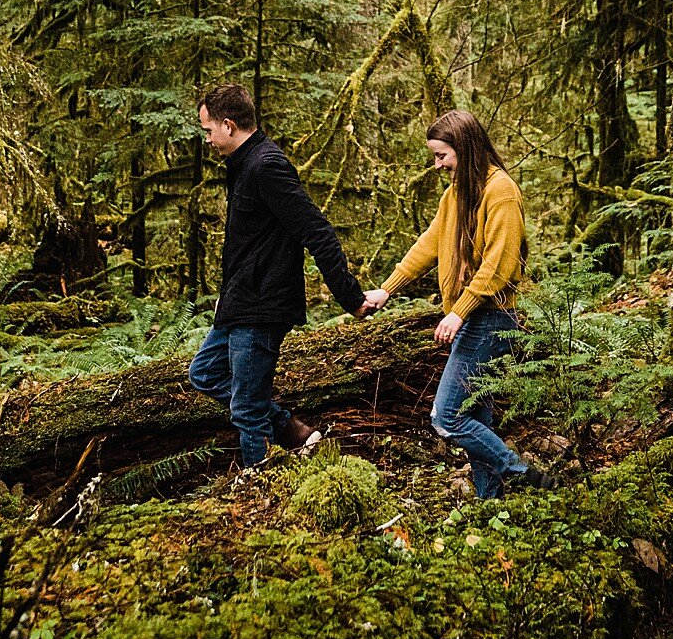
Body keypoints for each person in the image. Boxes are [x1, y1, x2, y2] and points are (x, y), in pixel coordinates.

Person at [360, 109, 546, 498]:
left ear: (465, 148)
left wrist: (458, 312)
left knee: (446, 417)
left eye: (442, 155)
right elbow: (428, 245)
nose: (437, 164)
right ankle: (489, 502)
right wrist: (387, 288)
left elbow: (500, 265)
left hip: (491, 319)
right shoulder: (456, 195)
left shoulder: (502, 192)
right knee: (476, 413)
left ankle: (517, 469)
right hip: (476, 317)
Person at [189, 82, 367, 468]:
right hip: (241, 300)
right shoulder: (243, 165)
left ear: (229, 125)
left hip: (262, 304)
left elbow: (316, 231)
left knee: (248, 410)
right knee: (204, 373)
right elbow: (247, 243)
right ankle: (293, 433)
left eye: (208, 130)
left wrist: (349, 298)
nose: (207, 139)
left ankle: (258, 487)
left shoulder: (267, 165)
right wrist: (227, 293)